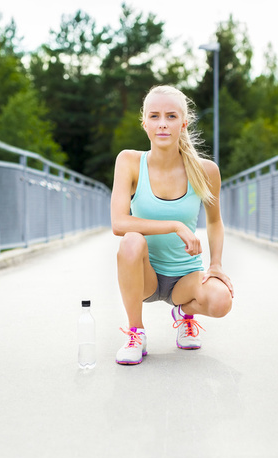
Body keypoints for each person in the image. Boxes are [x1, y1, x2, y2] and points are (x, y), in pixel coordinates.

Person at [110, 85, 234, 365]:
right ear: (144, 123)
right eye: (154, 116)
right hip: (147, 276)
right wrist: (174, 225)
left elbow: (215, 222)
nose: (162, 124)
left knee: (222, 301)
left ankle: (183, 316)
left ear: (183, 123)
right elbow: (119, 223)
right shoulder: (129, 161)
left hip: (185, 278)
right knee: (130, 241)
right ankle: (135, 333)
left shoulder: (205, 171)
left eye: (171, 116)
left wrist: (216, 265)